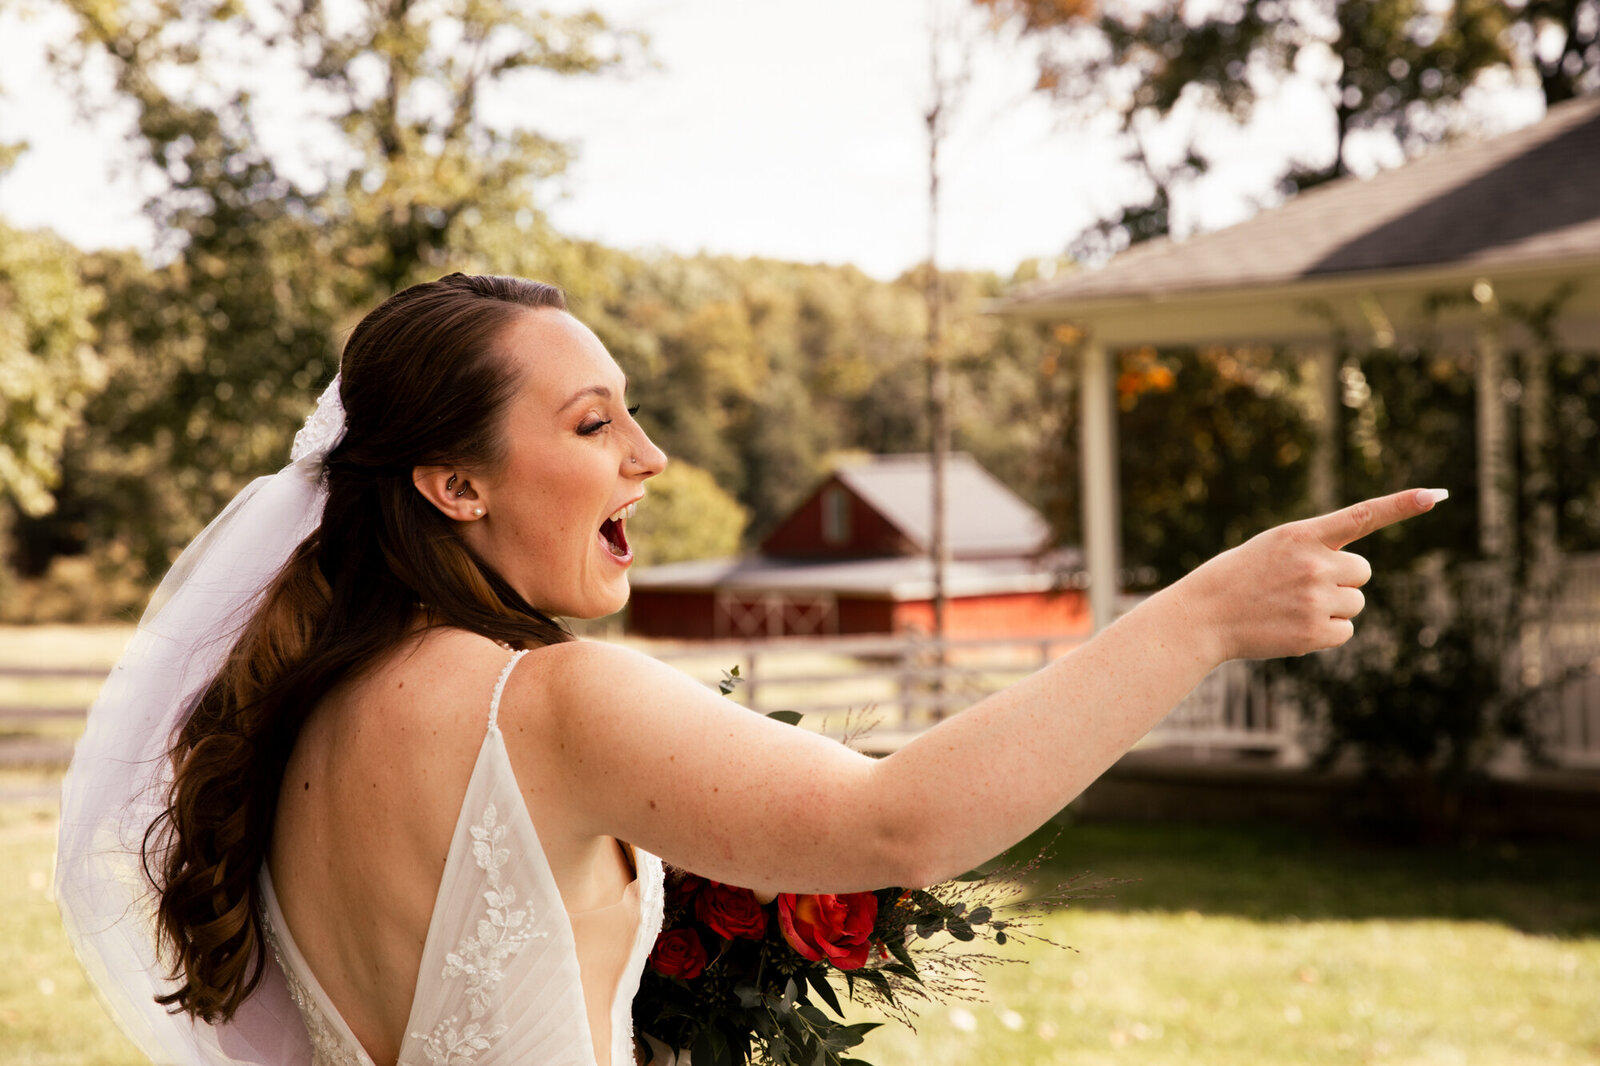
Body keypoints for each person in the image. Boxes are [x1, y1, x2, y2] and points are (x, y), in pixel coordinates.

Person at [56, 273, 1446, 1066]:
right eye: (596, 423)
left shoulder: (292, 719)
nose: (648, 458)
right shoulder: (550, 700)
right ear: (452, 482)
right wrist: (1199, 617)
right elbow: (896, 821)